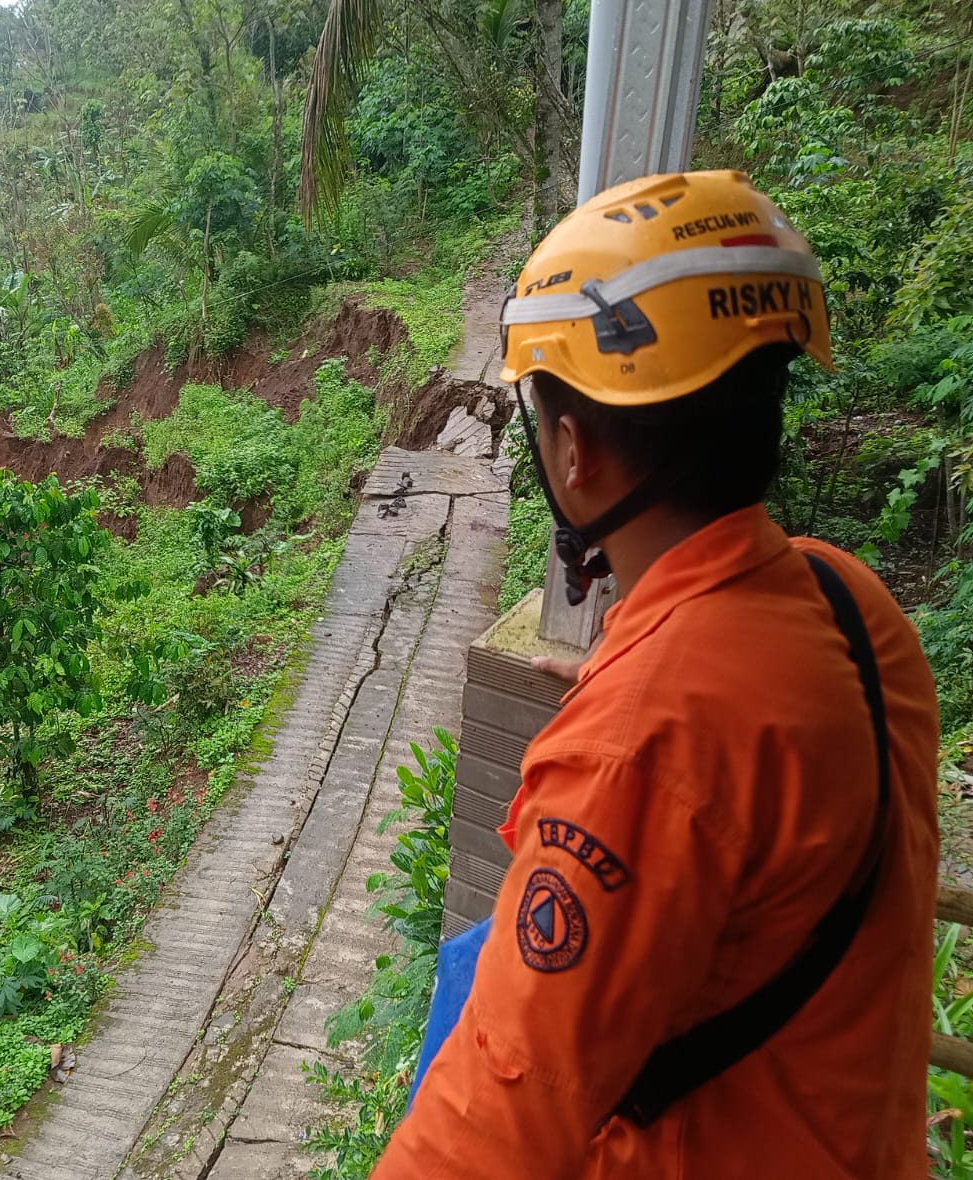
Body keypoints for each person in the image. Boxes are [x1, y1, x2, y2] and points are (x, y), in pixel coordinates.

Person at [371, 170, 939, 1179]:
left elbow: (491, 1129)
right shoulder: (851, 605)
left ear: (574, 449)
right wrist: (629, 694)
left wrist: (625, 737)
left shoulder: (641, 746)